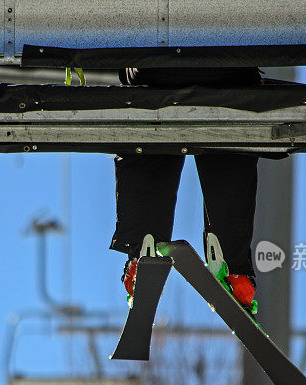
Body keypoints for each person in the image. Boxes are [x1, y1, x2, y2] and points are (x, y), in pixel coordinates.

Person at [110, 67, 262, 314]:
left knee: (146, 116)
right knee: (233, 134)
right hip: (231, 73)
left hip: (152, 72)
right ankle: (234, 268)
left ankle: (143, 251)